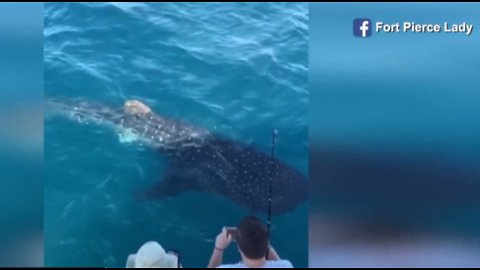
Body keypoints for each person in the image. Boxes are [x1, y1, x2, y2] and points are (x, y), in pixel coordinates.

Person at [207, 216, 293, 268]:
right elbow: (279, 264)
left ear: (239, 248)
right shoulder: (286, 265)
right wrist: (266, 244)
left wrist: (219, 248)